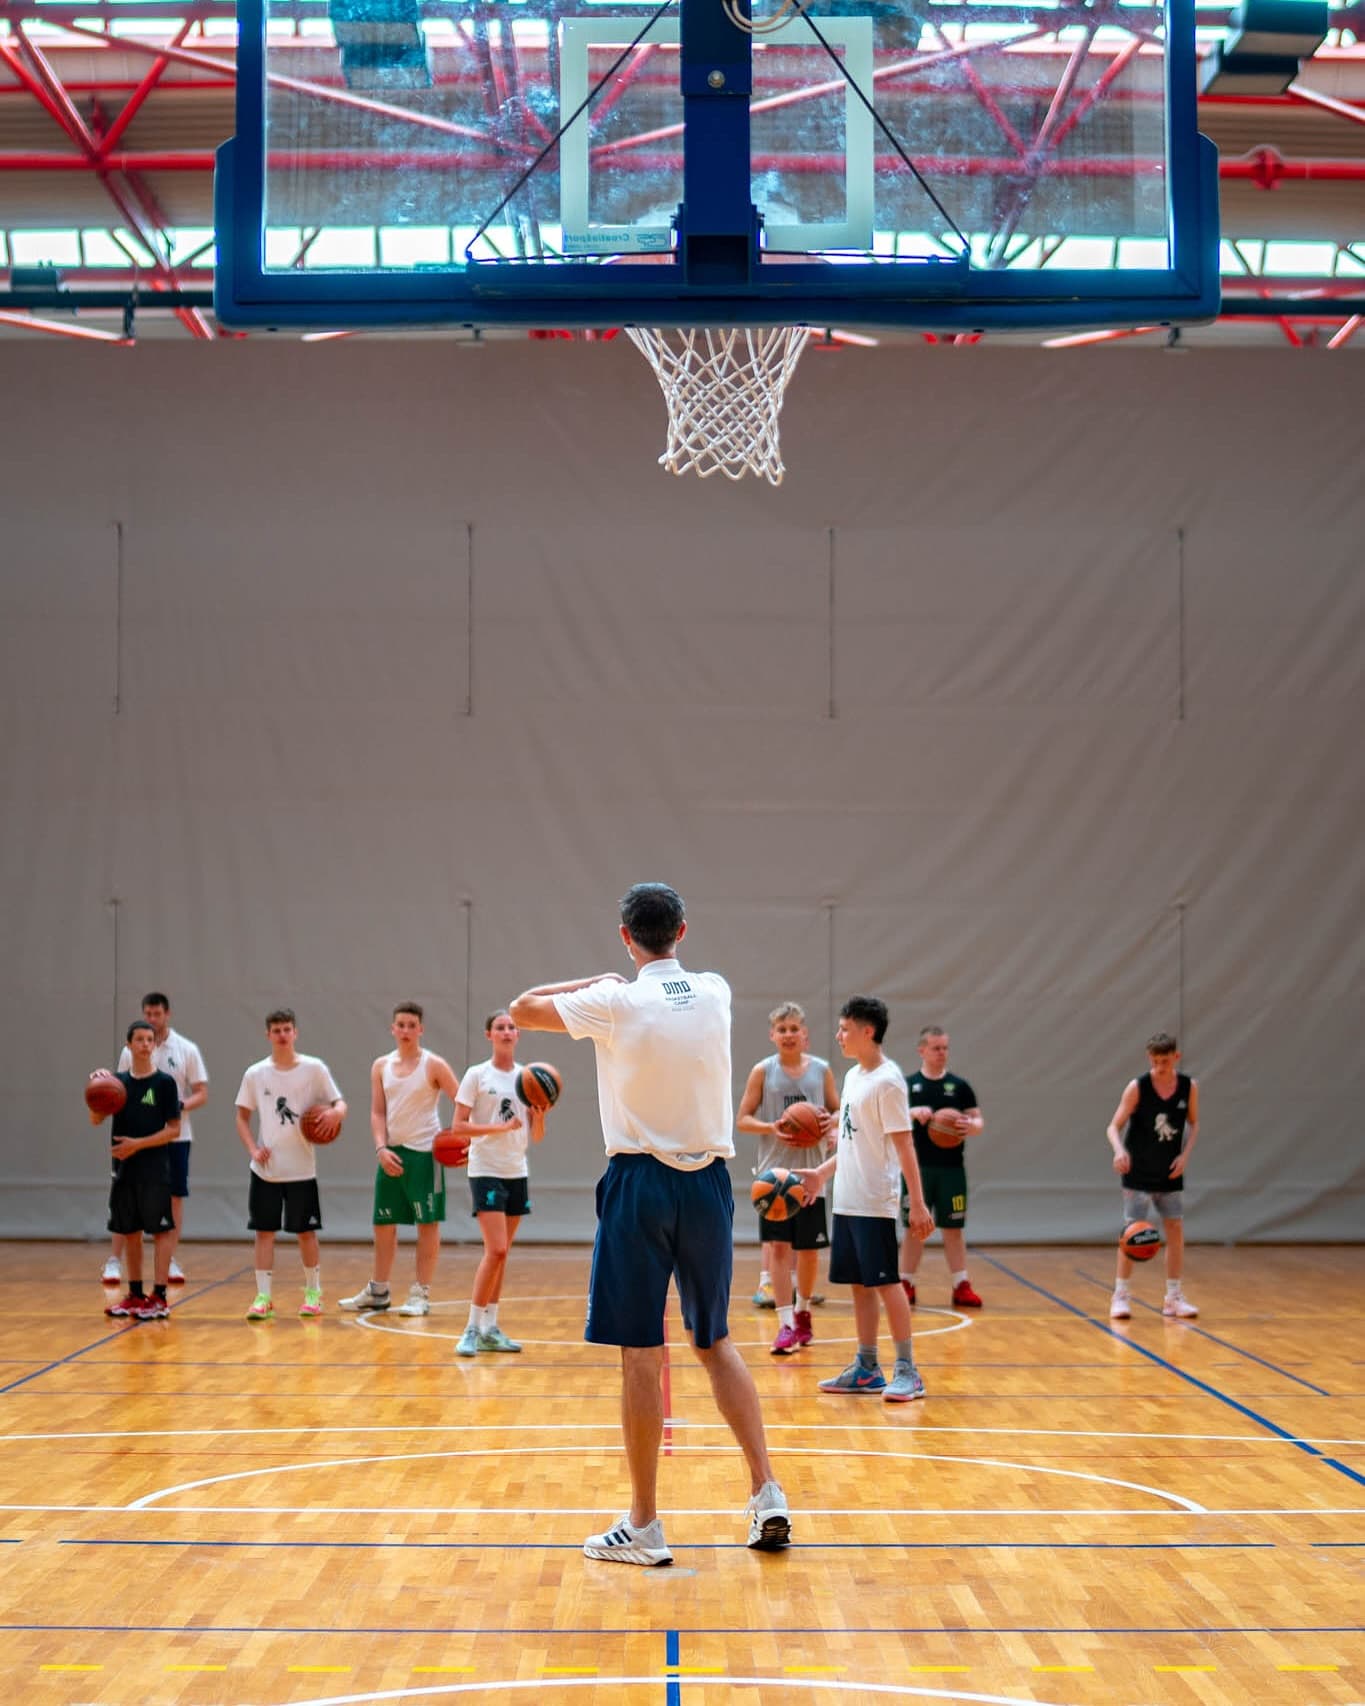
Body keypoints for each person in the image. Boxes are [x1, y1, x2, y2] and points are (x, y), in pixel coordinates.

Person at [510, 881, 791, 1564]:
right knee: (714, 1341)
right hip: (708, 1186)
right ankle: (767, 1493)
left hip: (639, 1184)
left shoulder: (613, 1001)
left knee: (640, 1353)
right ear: (683, 932)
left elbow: (520, 1008)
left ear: (625, 936)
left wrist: (596, 980)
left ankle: (643, 1525)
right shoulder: (716, 990)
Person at [794, 996, 934, 1401]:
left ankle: (907, 1369)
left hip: (875, 1201)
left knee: (887, 1282)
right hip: (847, 1198)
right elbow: (854, 1143)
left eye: (845, 1029)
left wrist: (917, 1203)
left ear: (867, 1031)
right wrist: (822, 1173)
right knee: (859, 1284)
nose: (838, 1035)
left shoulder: (888, 1082)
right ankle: (867, 1367)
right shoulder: (854, 1076)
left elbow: (904, 1146)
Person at [340, 1002, 463, 1319]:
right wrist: (380, 1148)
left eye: (412, 1025)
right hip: (391, 1154)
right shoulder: (380, 1066)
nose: (406, 1030)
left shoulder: (434, 1065)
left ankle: (421, 1293)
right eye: (401, 1025)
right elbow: (377, 1112)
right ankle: (378, 1290)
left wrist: (460, 1139)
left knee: (427, 1224)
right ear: (393, 1029)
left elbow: (462, 1101)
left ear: (421, 1029)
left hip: (425, 1155)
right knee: (383, 1224)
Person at [735, 1002, 838, 1354]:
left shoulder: (821, 1071)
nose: (789, 1034)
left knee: (807, 1252)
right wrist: (772, 1127)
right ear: (772, 1035)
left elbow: (839, 1111)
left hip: (810, 1174)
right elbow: (743, 1119)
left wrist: (828, 1123)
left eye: (794, 1028)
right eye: (782, 1029)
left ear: (805, 1034)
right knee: (778, 1248)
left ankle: (803, 1312)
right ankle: (785, 1324)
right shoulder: (763, 1071)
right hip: (775, 1177)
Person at [234, 1008, 345, 1321]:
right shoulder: (256, 1073)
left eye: (287, 1029)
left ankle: (313, 1293)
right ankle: (263, 1297)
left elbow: (339, 1103)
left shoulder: (314, 1068)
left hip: (301, 1168)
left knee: (306, 1233)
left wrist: (336, 1113)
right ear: (268, 1035)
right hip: (266, 1170)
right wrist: (253, 1149)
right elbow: (241, 1117)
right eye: (276, 1030)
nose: (282, 1035)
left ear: (295, 1033)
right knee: (264, 1233)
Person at [449, 1010, 545, 1356]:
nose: (506, 1031)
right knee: (497, 1250)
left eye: (511, 1027)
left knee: (502, 1255)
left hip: (516, 1169)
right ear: (489, 1035)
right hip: (485, 1168)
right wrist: (498, 1128)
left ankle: (491, 1328)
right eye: (500, 1027)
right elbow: (458, 1127)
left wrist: (540, 1116)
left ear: (518, 1035)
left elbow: (536, 1135)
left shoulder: (527, 1078)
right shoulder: (477, 1075)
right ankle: (471, 1328)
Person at [106, 991, 207, 1288]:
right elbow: (117, 1092)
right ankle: (114, 1261)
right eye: (147, 1014)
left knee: (173, 1197)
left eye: (157, 1014)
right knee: (124, 1198)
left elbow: (201, 1092)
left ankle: (168, 1259)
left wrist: (175, 1107)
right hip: (133, 1137)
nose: (152, 1019)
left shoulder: (186, 1049)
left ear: (167, 1014)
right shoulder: (129, 1052)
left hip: (175, 1137)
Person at [1106, 1031, 1200, 1320]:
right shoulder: (1138, 1087)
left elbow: (1194, 1124)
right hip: (1138, 1171)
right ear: (1149, 1058)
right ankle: (1120, 1295)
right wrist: (1119, 1151)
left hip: (1169, 1171)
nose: (1160, 1066)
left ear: (1176, 1057)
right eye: (1155, 1061)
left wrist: (1184, 1156)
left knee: (1175, 1229)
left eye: (1165, 1061)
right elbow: (1113, 1126)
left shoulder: (1188, 1087)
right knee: (1131, 1233)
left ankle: (1173, 1297)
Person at [93, 1019, 181, 1321]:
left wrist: (138, 1145)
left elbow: (173, 1129)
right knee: (130, 1231)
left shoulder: (164, 1083)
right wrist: (95, 1094)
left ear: (154, 1045)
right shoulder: (116, 1084)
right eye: (139, 1039)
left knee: (160, 1231)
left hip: (154, 1169)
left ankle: (159, 1297)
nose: (145, 1044)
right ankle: (134, 1294)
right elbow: (96, 1119)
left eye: (149, 1039)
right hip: (124, 1169)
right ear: (128, 1045)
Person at [897, 1026, 985, 1309]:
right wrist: (911, 1113)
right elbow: (891, 1118)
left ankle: (961, 1284)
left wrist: (969, 1125)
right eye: (936, 1048)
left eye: (945, 1048)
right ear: (921, 1050)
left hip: (951, 1169)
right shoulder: (907, 1085)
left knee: (953, 1228)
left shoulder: (960, 1086)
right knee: (915, 1228)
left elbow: (978, 1121)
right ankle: (905, 1282)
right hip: (917, 1169)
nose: (941, 1053)